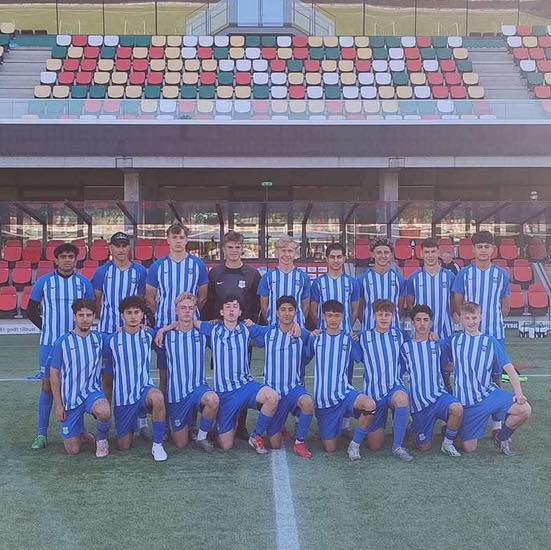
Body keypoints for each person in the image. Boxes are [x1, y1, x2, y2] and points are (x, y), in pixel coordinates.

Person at [28, 243, 95, 450]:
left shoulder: (83, 283)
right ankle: (41, 434)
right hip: (49, 343)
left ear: (76, 260)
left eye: (71, 256)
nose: (67, 260)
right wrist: (47, 327)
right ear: (56, 260)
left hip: (76, 344)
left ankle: (79, 429)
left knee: (76, 386)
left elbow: (91, 310)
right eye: (63, 256)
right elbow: (31, 310)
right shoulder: (44, 281)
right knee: (47, 386)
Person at [441, 302, 531, 455]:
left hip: (489, 395)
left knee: (524, 409)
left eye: (474, 317)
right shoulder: (453, 340)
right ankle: (459, 428)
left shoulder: (490, 341)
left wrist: (519, 394)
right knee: (469, 448)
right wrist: (432, 337)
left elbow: (509, 369)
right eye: (467, 318)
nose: (471, 322)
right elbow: (438, 353)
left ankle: (501, 438)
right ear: (461, 319)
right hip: (467, 403)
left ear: (480, 317)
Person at [195, 296, 280, 454]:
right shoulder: (212, 329)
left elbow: (276, 329)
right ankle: (217, 425)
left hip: (246, 387)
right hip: (225, 394)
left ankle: (256, 436)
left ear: (240, 312)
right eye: (227, 307)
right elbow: (191, 322)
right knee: (226, 445)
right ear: (221, 312)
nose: (231, 310)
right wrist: (165, 329)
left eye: (235, 307)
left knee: (273, 397)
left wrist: (295, 325)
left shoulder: (247, 328)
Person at [92, 231, 151, 437]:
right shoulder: (102, 272)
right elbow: (96, 300)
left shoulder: (140, 271)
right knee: (108, 377)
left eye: (124, 245)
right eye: (117, 246)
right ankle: (106, 420)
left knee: (138, 376)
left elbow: (142, 300)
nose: (121, 249)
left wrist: (139, 323)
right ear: (110, 248)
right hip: (108, 332)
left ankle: (142, 419)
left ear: (129, 248)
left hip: (134, 333)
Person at [452, 230, 511, 434]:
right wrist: (466, 322)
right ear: (473, 250)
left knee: (496, 375)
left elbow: (505, 305)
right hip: (470, 334)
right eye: (480, 247)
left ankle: (497, 423)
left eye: (487, 247)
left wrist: (494, 320)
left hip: (494, 332)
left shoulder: (501, 274)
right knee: (466, 373)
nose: (483, 250)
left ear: (493, 249)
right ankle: (465, 414)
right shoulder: (464, 273)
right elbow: (458, 302)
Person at [205, 230, 261, 440]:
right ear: (223, 249)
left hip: (242, 335)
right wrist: (212, 322)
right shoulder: (215, 273)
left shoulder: (252, 274)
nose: (234, 251)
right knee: (222, 377)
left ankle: (241, 425)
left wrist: (252, 325)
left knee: (241, 377)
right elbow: (210, 302)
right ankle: (220, 420)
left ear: (242, 248)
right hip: (221, 334)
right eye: (230, 247)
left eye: (238, 247)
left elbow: (257, 305)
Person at [246, 296, 315, 459]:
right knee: (275, 444)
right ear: (277, 312)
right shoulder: (268, 332)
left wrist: (314, 333)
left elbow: (316, 338)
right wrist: (248, 323)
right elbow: (244, 328)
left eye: (290, 310)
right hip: (273, 393)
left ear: (295, 312)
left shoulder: (302, 334)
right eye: (283, 310)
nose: (286, 313)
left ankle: (300, 442)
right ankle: (266, 431)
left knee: (308, 403)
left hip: (293, 389)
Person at [309, 300, 376, 461]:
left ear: (342, 317)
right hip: (324, 401)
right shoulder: (316, 338)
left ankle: (355, 444)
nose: (333, 319)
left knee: (369, 404)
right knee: (330, 448)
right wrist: (309, 334)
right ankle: (334, 427)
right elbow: (304, 357)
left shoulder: (347, 339)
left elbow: (358, 357)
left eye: (337, 315)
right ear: (323, 317)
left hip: (344, 393)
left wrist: (355, 340)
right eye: (329, 315)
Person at [103, 296, 168, 462]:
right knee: (124, 445)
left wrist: (162, 330)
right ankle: (138, 418)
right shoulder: (111, 340)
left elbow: (170, 330)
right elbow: (108, 376)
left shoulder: (149, 334)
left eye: (136, 312)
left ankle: (158, 445)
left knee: (158, 397)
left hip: (144, 390)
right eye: (129, 312)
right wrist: (107, 403)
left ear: (142, 315)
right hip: (124, 398)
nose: (133, 316)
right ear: (122, 316)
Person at [155, 293, 219, 453]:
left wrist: (200, 323)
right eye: (183, 308)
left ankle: (202, 436)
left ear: (195, 310)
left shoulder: (202, 334)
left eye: (190, 308)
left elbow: (222, 330)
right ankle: (186, 426)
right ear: (176, 310)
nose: (187, 311)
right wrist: (163, 329)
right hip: (176, 395)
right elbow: (137, 331)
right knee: (180, 443)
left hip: (198, 389)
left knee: (213, 400)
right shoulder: (166, 335)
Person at [49, 299, 111, 457]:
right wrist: (58, 405)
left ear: (94, 317)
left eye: (88, 315)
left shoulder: (100, 339)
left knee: (104, 411)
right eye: (81, 315)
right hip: (70, 398)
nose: (85, 319)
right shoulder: (62, 342)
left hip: (92, 392)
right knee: (73, 450)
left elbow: (123, 334)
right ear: (74, 316)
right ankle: (81, 432)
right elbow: (54, 373)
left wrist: (142, 327)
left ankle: (102, 441)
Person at [400, 305, 463, 457]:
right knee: (423, 447)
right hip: (419, 403)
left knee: (457, 409)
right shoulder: (405, 348)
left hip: (439, 396)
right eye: (418, 320)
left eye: (425, 320)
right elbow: (399, 372)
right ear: (413, 322)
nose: (422, 323)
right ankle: (413, 428)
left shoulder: (438, 344)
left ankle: (447, 444)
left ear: (431, 322)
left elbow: (446, 366)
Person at [356, 299, 413, 462]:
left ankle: (398, 445)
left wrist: (432, 335)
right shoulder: (363, 336)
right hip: (373, 393)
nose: (383, 318)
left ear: (393, 317)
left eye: (387, 314)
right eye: (380, 314)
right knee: (374, 445)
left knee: (402, 398)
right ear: (374, 316)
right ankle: (394, 424)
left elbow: (417, 340)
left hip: (393, 387)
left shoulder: (400, 335)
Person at [146, 222, 209, 330]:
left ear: (186, 240)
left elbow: (203, 297)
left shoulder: (198, 264)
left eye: (181, 237)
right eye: (174, 237)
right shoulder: (157, 266)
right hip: (164, 323)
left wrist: (190, 311)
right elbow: (149, 298)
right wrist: (161, 312)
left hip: (191, 325)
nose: (178, 241)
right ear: (168, 240)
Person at [405, 238, 455, 340]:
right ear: (421, 254)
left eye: (433, 252)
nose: (430, 255)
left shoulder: (450, 276)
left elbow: (453, 301)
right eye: (427, 252)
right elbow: (410, 305)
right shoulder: (414, 278)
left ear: (438, 253)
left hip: (445, 331)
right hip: (421, 332)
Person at [258, 235, 311, 327]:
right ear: (277, 253)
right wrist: (270, 321)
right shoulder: (267, 277)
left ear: (296, 254)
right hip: (274, 327)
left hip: (297, 328)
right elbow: (263, 306)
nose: (286, 255)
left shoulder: (303, 277)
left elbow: (305, 306)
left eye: (290, 251)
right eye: (283, 251)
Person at [359, 238, 405, 332]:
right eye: (379, 252)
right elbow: (359, 307)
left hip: (393, 331)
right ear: (372, 254)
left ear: (391, 255)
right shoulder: (363, 279)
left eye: (386, 252)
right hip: (369, 330)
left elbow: (399, 306)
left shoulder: (399, 278)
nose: (383, 256)